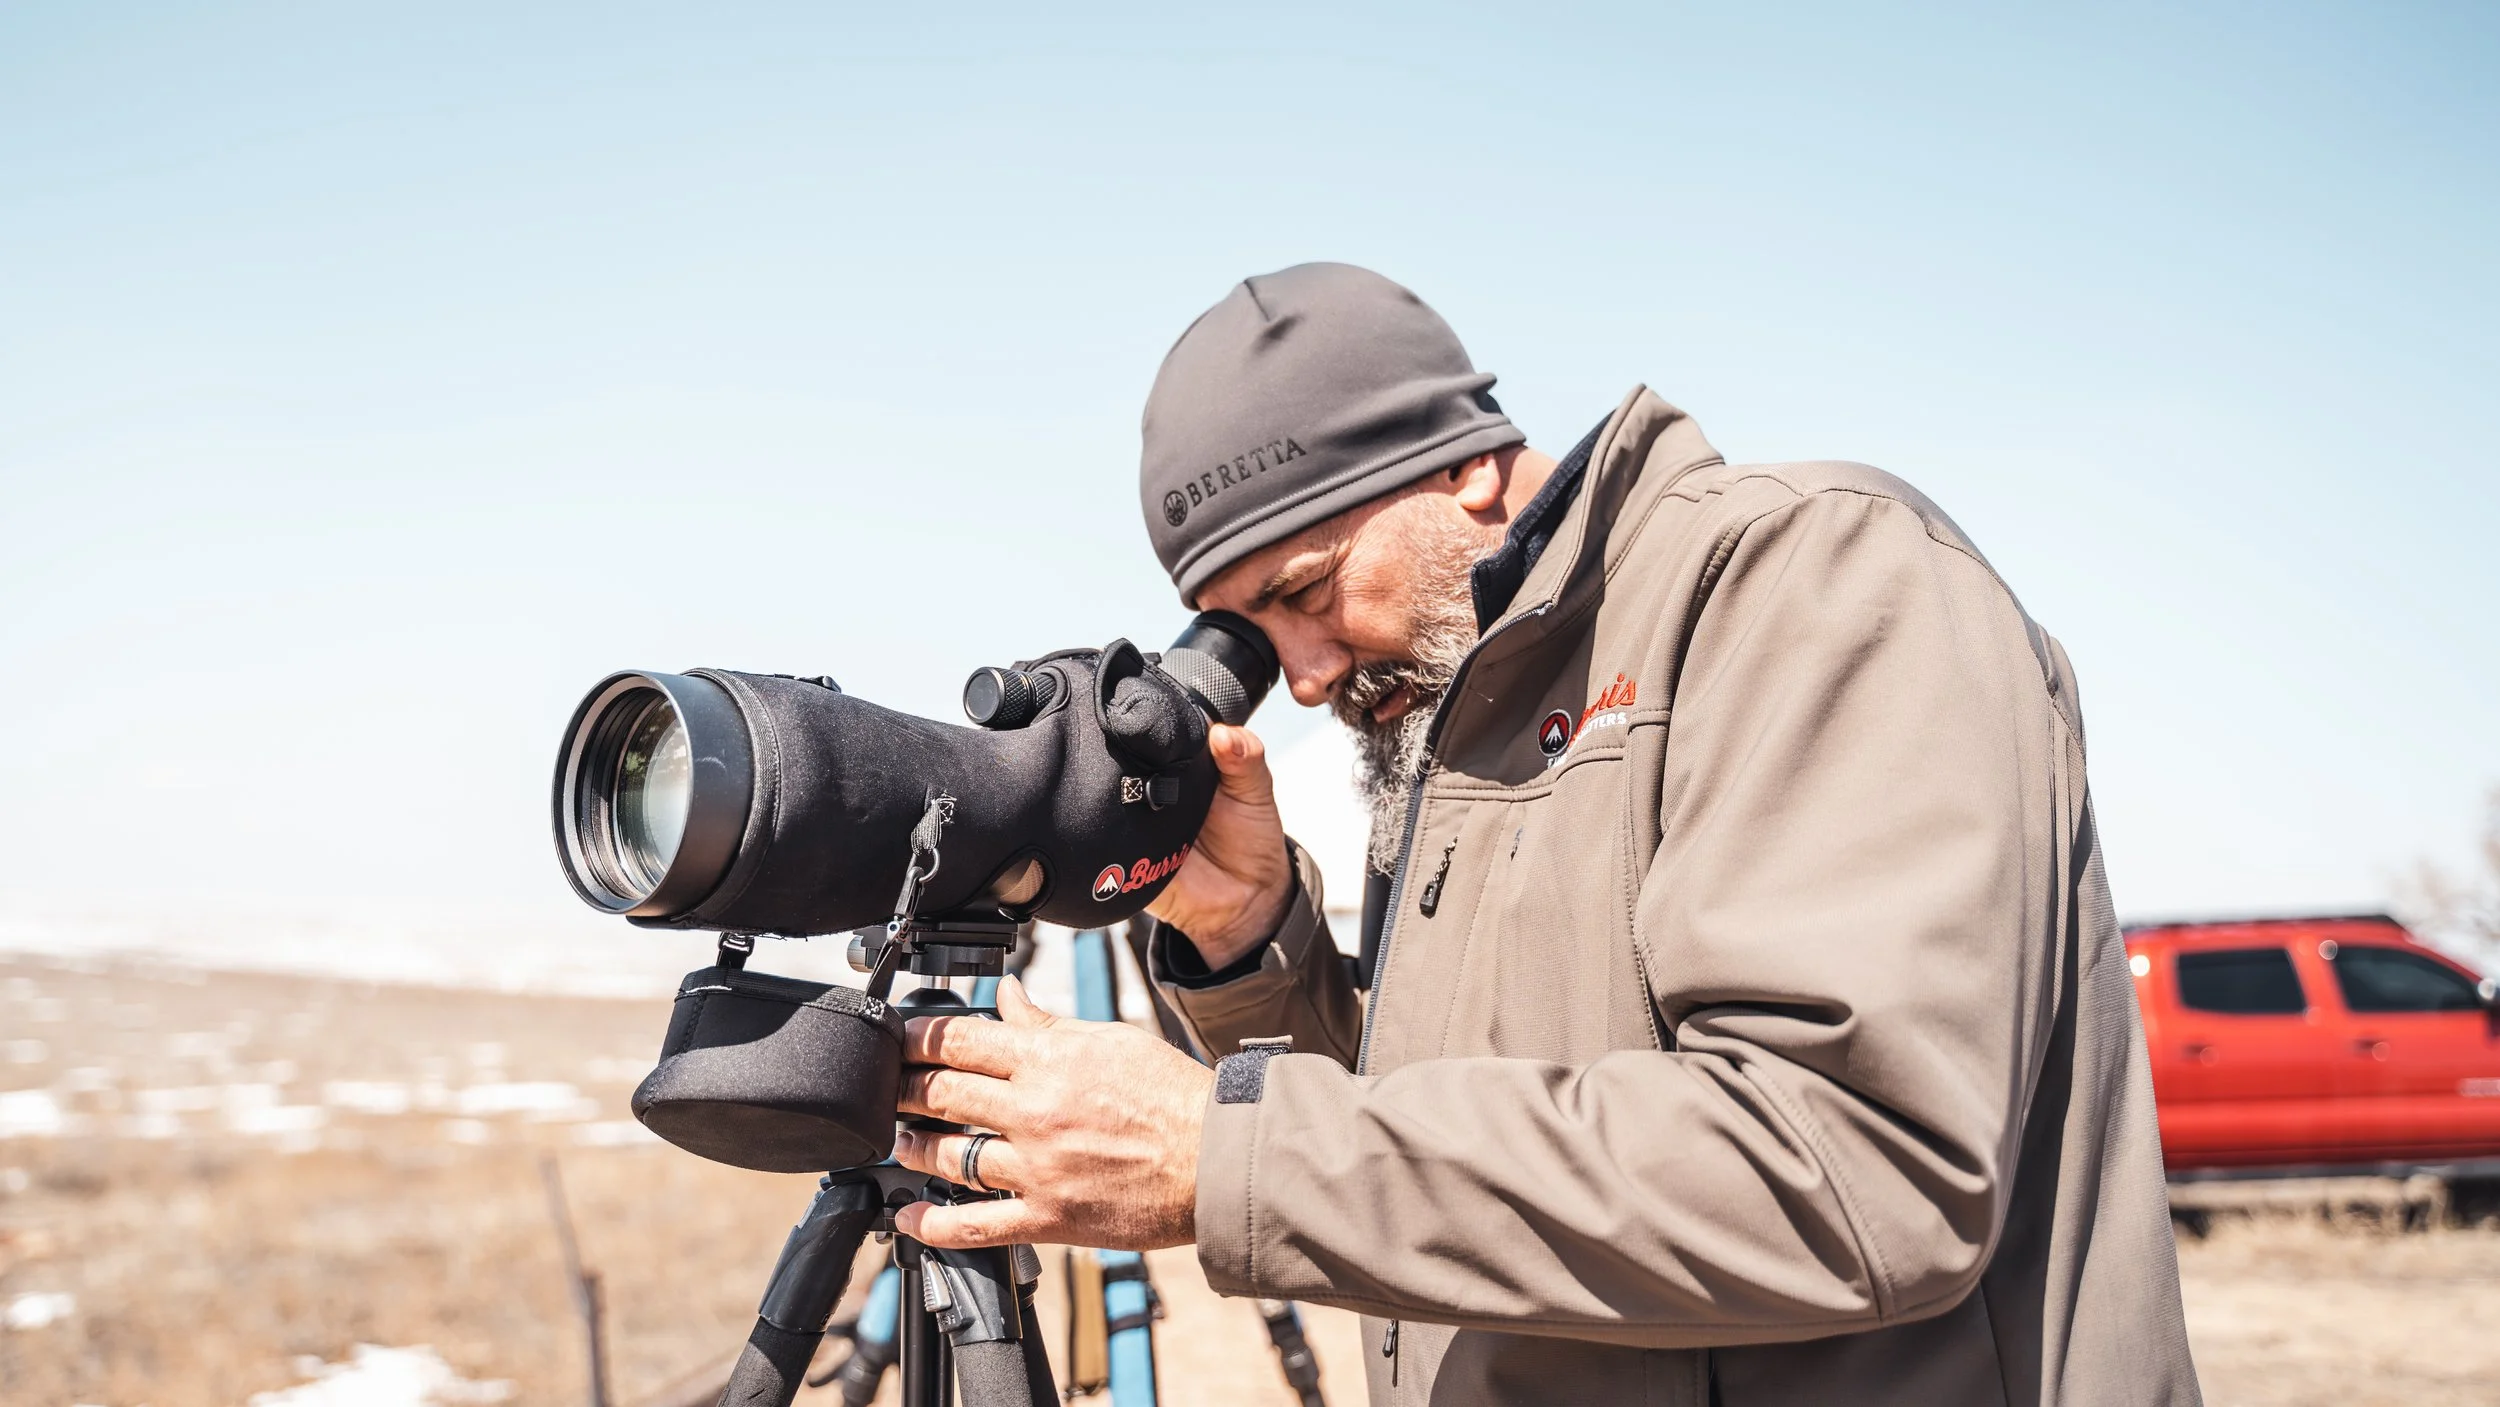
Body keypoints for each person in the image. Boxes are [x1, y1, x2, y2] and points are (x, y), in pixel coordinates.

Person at [890, 262, 2200, 1405]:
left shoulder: (1811, 577)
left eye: (1304, 593)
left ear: (1456, 467)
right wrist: (1250, 947)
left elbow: (1860, 1163)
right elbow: (1457, 1135)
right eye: (1245, 634)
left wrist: (1222, 1154)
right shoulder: (1456, 720)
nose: (1296, 676)